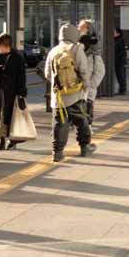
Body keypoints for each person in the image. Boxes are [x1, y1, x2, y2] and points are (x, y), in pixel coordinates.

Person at [45, 23, 102, 162]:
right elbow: (84, 71)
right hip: (75, 94)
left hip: (58, 96)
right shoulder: (76, 49)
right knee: (81, 121)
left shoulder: (53, 50)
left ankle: (57, 152)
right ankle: (85, 147)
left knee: (59, 123)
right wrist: (85, 88)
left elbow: (47, 74)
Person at [0, 32, 28, 150]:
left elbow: (21, 76)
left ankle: (12, 139)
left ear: (4, 44)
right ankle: (1, 139)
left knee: (10, 115)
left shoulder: (17, 57)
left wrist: (21, 94)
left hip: (11, 91)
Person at [112, 27, 127, 96]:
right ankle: (122, 89)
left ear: (118, 33)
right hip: (118, 61)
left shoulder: (120, 40)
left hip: (119, 61)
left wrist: (117, 59)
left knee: (120, 75)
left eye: (114, 32)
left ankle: (122, 90)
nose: (113, 33)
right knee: (120, 75)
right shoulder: (116, 40)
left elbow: (121, 52)